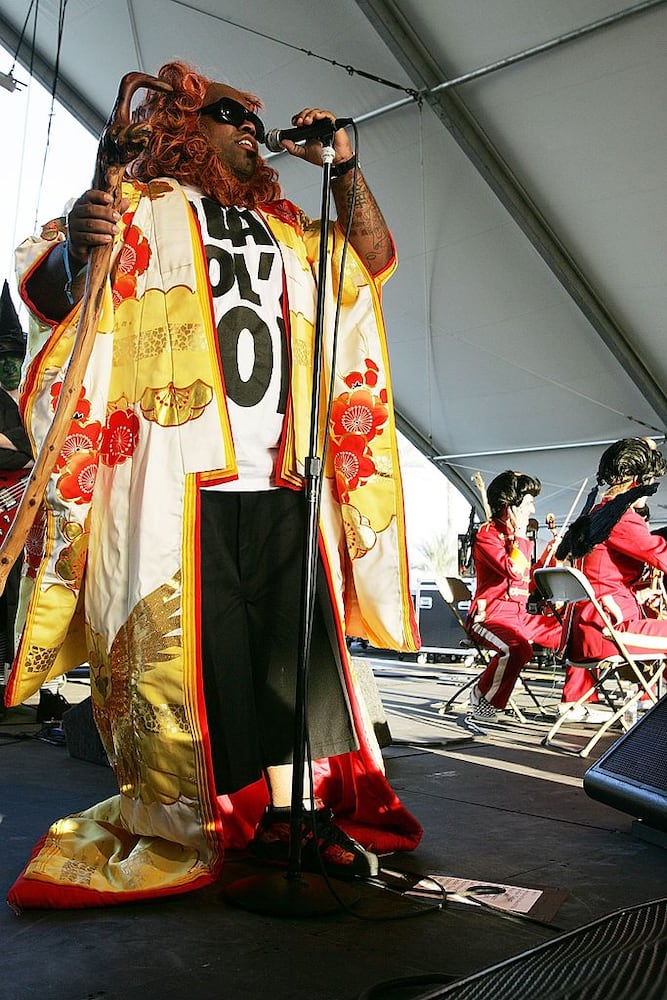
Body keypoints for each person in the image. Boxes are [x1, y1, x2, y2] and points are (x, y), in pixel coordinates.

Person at [5, 61, 422, 909]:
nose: (249, 127)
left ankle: (291, 815)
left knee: (293, 666)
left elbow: (368, 262)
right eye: (229, 112)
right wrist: (87, 239)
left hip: (285, 474)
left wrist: (343, 167)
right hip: (169, 476)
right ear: (181, 128)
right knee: (185, 664)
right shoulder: (143, 207)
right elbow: (55, 289)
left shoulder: (289, 229)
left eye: (251, 117)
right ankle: (180, 815)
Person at [555, 437, 667, 708]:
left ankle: (649, 700)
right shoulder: (621, 519)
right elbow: (660, 554)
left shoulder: (596, 513)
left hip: (585, 632)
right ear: (638, 480)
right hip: (608, 632)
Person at [465, 470, 563, 721]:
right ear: (511, 507)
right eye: (529, 502)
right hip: (489, 617)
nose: (532, 510)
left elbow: (526, 584)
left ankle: (574, 700)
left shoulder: (518, 540)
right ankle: (482, 696)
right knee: (517, 649)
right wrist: (519, 533)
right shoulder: (487, 535)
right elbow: (514, 571)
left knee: (572, 632)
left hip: (519, 617)